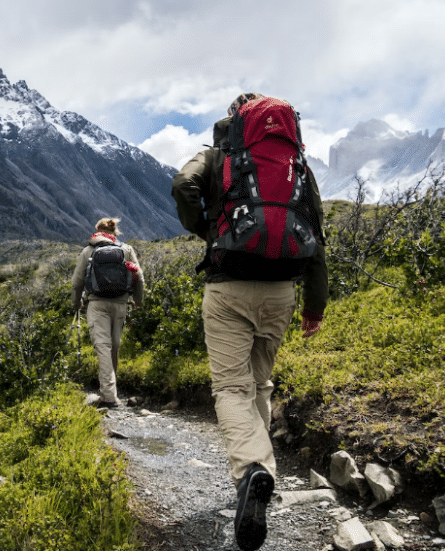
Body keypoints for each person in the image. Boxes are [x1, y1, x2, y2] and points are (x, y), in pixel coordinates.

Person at [171, 93, 328, 551]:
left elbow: (183, 185)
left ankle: (252, 471)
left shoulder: (220, 155)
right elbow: (316, 233)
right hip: (281, 291)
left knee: (230, 388)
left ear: (235, 120)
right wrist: (314, 307)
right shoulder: (295, 164)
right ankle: (261, 475)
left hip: (229, 286)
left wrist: (205, 228)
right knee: (259, 384)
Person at [71, 217, 144, 409]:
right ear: (115, 232)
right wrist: (138, 300)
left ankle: (109, 396)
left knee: (103, 347)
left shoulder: (88, 250)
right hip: (120, 304)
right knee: (114, 346)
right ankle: (111, 391)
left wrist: (77, 303)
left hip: (97, 304)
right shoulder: (126, 249)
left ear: (97, 231)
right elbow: (139, 277)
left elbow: (77, 282)